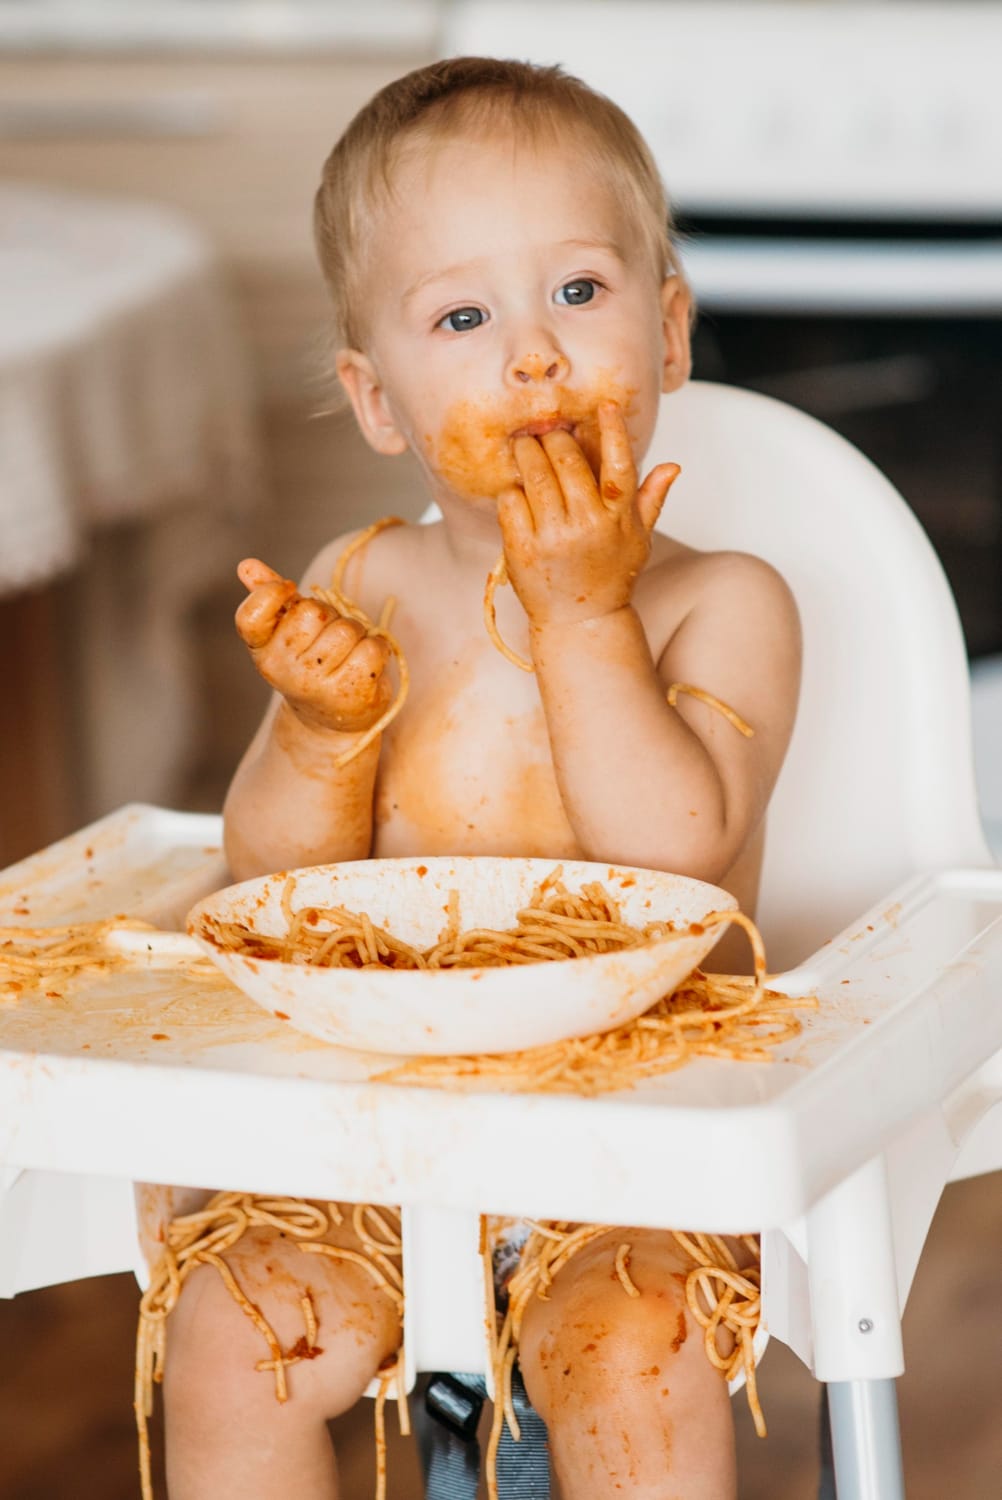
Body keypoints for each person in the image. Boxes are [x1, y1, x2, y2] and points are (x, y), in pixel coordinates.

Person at [163, 56, 801, 1500]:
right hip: (381, 1124)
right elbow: (271, 876)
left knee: (630, 1359)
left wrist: (584, 615)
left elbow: (679, 855)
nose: (533, 357)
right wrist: (325, 735)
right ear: (377, 401)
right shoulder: (363, 584)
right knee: (232, 1338)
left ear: (671, 329)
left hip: (639, 1144)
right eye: (463, 315)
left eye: (578, 293)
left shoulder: (725, 605)